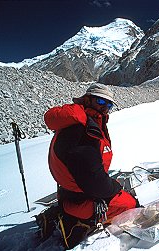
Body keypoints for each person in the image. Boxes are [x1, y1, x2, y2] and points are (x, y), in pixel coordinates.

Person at [44, 83, 137, 249]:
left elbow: (90, 171)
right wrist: (115, 188)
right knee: (129, 204)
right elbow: (95, 182)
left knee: (118, 193)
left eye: (109, 104)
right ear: (87, 99)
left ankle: (68, 209)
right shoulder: (83, 130)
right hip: (82, 194)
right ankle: (73, 216)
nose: (105, 108)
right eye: (100, 102)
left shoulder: (79, 121)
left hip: (72, 189)